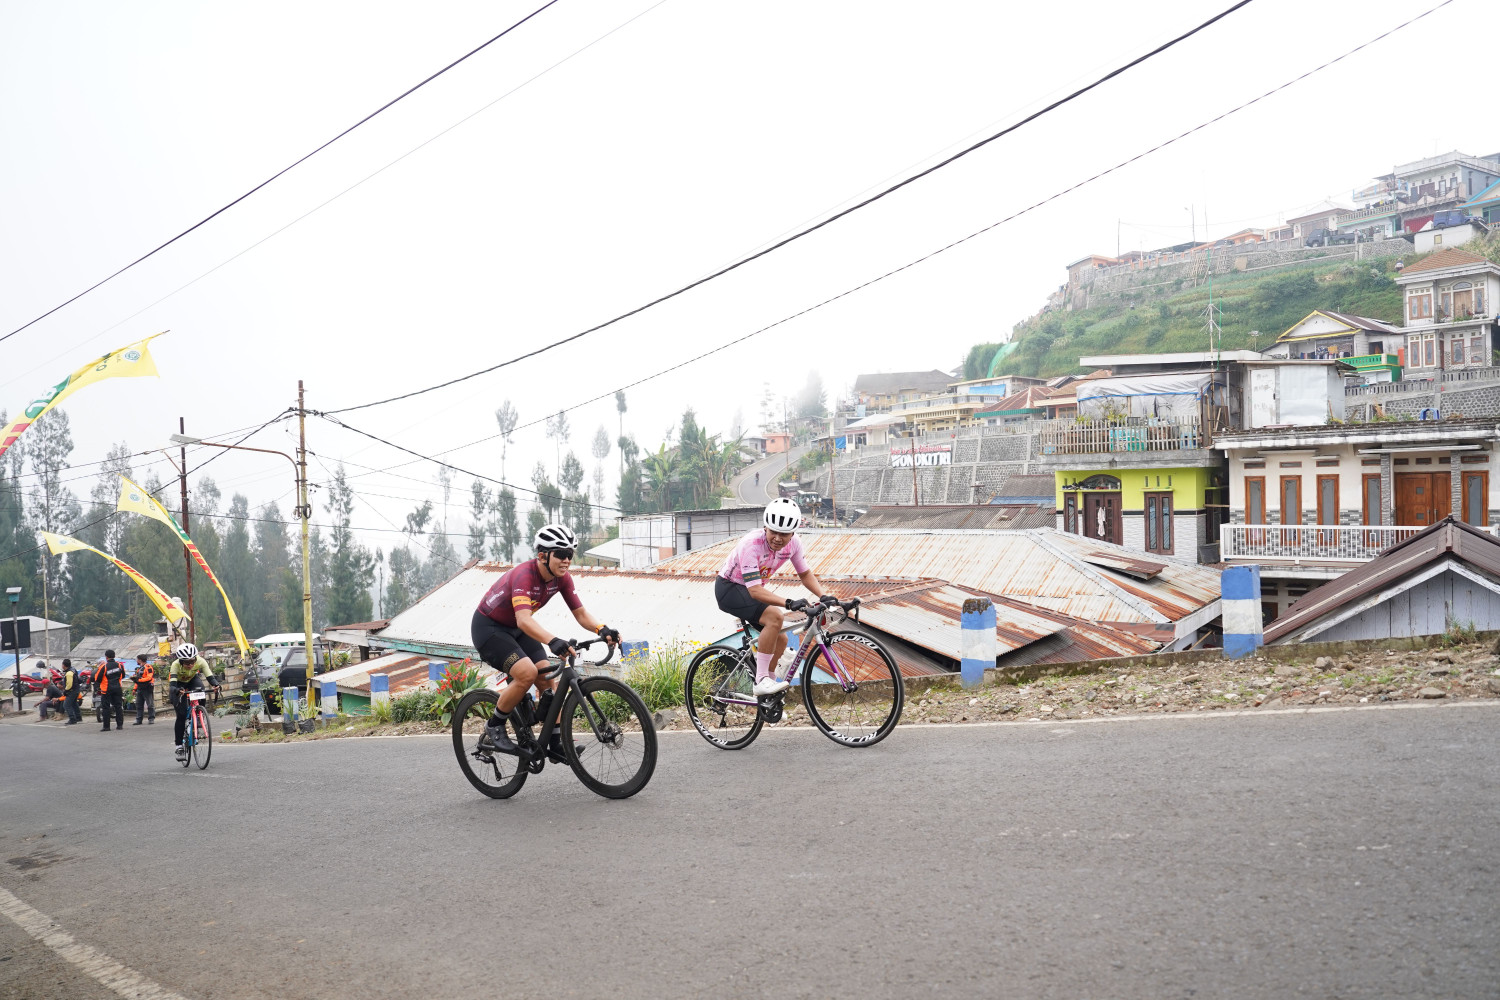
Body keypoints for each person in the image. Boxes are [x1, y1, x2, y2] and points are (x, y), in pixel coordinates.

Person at [471, 523, 619, 759]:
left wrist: (602, 628)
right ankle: (495, 725)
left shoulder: (562, 578)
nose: (566, 560)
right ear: (542, 556)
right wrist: (552, 641)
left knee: (548, 679)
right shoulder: (524, 575)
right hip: (489, 629)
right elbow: (523, 619)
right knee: (527, 673)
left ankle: (555, 743)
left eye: (570, 554)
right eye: (561, 554)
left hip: (517, 630)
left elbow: (581, 614)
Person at [715, 497, 834, 697]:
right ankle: (761, 680)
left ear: (793, 533)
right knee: (775, 617)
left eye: (784, 534)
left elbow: (805, 574)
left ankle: (767, 695)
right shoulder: (751, 544)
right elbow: (755, 591)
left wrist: (824, 596)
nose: (778, 538)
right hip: (730, 589)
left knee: (781, 639)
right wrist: (789, 603)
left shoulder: (794, 544)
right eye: (773, 532)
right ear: (765, 528)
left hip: (750, 591)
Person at [168, 643, 221, 761]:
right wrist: (177, 691)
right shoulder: (175, 665)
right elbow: (172, 686)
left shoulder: (201, 661)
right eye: (187, 663)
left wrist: (216, 685)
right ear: (181, 661)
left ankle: (198, 715)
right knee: (181, 715)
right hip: (178, 684)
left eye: (192, 661)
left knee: (201, 690)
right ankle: (179, 746)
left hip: (192, 680)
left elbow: (210, 676)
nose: (190, 665)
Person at [97, 650, 125, 731]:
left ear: (106, 657)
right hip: (117, 688)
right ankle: (119, 725)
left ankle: (106, 727)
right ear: (114, 656)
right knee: (118, 706)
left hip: (106, 689)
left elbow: (98, 678)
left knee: (106, 707)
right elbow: (123, 675)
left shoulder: (104, 666)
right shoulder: (120, 665)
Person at [131, 653, 156, 725]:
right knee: (139, 704)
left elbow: (149, 677)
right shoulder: (139, 669)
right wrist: (134, 689)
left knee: (150, 704)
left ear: (140, 660)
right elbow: (137, 680)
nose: (137, 661)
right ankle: (139, 719)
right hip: (140, 688)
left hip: (147, 688)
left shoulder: (148, 667)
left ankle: (151, 718)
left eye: (137, 659)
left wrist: (139, 680)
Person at [61, 659, 81, 724]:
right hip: (76, 689)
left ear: (64, 665)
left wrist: (66, 690)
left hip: (72, 691)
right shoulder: (73, 669)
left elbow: (69, 684)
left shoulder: (69, 673)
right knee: (74, 703)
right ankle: (78, 717)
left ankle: (72, 719)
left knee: (66, 705)